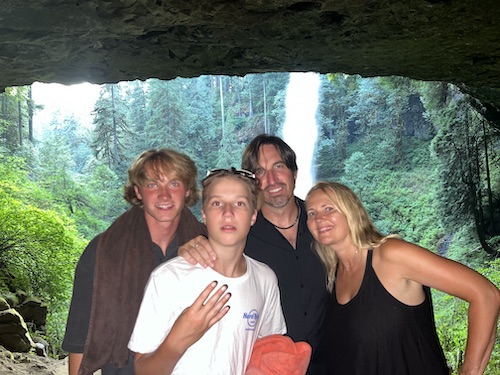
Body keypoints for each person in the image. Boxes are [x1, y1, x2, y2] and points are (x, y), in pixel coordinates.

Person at [305, 181, 500, 375]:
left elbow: (485, 294)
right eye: (311, 213)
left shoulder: (390, 255)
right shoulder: (333, 275)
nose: (319, 218)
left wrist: (470, 371)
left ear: (351, 211)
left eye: (328, 208)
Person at [180, 134, 328, 374]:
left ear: (294, 173)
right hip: (269, 368)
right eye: (260, 172)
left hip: (333, 362)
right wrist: (189, 245)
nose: (271, 179)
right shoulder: (239, 233)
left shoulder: (322, 221)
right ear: (253, 184)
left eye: (278, 166)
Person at [62, 149, 212, 375]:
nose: (164, 195)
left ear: (188, 190)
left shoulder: (208, 246)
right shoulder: (103, 251)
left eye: (174, 184)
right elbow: (79, 337)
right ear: (138, 191)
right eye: (152, 185)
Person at [128, 167, 287, 374]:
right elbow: (143, 370)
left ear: (253, 216)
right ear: (204, 214)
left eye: (239, 203)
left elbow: (268, 347)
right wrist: (177, 340)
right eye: (217, 203)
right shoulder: (169, 277)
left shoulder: (265, 279)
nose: (228, 213)